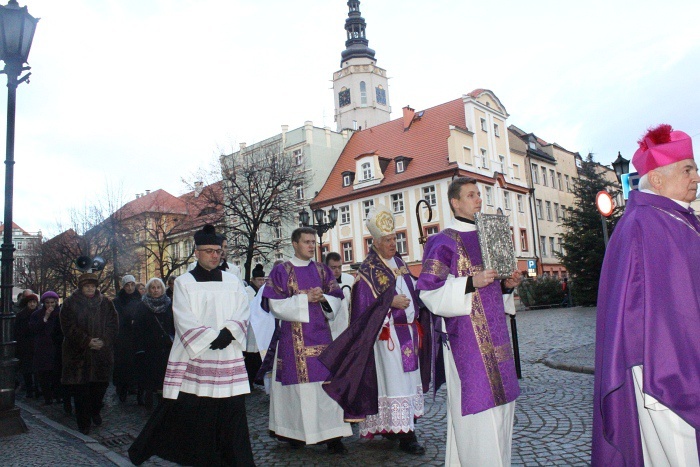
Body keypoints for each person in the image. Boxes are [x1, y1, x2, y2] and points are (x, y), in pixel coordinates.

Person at [592, 124, 700, 466]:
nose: (696, 176)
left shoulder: (673, 219)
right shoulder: (646, 224)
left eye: (695, 168)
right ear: (657, 179)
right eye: (688, 169)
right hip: (665, 373)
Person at [129, 224, 255, 466]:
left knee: (233, 418)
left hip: (228, 356)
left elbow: (243, 309)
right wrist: (211, 337)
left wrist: (228, 333)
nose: (215, 255)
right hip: (198, 357)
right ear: (196, 252)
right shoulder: (185, 283)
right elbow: (183, 317)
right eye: (209, 251)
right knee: (201, 418)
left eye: (218, 251)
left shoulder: (232, 280)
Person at [416, 177, 522, 466]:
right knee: (478, 412)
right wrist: (469, 282)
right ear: (455, 202)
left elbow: (492, 294)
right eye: (471, 195)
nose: (478, 199)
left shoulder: (491, 236)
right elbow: (428, 292)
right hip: (467, 341)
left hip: (497, 337)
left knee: (502, 407)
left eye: (479, 194)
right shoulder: (442, 242)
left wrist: (507, 285)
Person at [320, 206, 430, 455]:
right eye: (388, 240)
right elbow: (361, 306)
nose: (394, 244)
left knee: (407, 383)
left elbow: (413, 288)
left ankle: (399, 427)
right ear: (376, 242)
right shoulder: (368, 270)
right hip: (386, 337)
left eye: (395, 238)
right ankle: (406, 436)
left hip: (408, 335)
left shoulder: (400, 262)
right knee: (394, 385)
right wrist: (388, 303)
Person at [262, 227, 352, 454]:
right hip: (293, 340)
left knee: (325, 387)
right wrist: (304, 299)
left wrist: (324, 298)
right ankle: (295, 433)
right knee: (298, 392)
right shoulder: (282, 271)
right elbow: (275, 305)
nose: (312, 246)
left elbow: (337, 298)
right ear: (294, 243)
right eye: (306, 242)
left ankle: (332, 435)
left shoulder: (322, 270)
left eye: (313, 242)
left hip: (322, 336)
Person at [60, 273, 119, 435]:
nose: (90, 289)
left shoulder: (105, 303)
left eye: (92, 286)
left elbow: (113, 323)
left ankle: (95, 411)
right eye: (87, 286)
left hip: (101, 354)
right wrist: (86, 341)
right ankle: (83, 422)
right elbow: (68, 327)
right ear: (81, 287)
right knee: (81, 392)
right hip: (78, 355)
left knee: (99, 388)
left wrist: (104, 341)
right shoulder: (70, 303)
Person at [133, 278, 174, 410]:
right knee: (150, 377)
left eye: (158, 287)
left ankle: (163, 404)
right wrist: (140, 348)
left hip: (166, 347)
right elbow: (138, 329)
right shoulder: (142, 306)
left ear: (162, 289)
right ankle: (149, 401)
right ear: (148, 289)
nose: (156, 290)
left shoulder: (170, 304)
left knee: (164, 377)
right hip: (149, 348)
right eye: (153, 287)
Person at [29, 291, 62, 405]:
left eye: (52, 302)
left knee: (56, 374)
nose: (50, 305)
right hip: (42, 348)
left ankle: (57, 395)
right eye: (47, 303)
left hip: (56, 347)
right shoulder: (37, 314)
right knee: (43, 374)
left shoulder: (60, 314)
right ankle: (47, 397)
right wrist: (45, 317)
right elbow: (33, 330)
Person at [113, 274, 142, 403]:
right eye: (127, 285)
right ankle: (122, 388)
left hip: (136, 336)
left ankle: (133, 387)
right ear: (123, 286)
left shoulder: (140, 300)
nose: (130, 287)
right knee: (122, 365)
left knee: (136, 364)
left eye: (132, 284)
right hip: (122, 338)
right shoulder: (117, 301)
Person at [15, 291, 39, 398]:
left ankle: (37, 389)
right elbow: (18, 332)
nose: (32, 304)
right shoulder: (21, 315)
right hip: (25, 345)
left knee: (37, 369)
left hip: (37, 345)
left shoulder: (39, 313)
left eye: (34, 302)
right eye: (30, 302)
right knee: (27, 369)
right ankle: (29, 389)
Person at [324, 252, 353, 339]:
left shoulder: (350, 279)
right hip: (329, 328)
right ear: (326, 267)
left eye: (339, 267)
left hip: (346, 327)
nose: (337, 270)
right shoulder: (321, 282)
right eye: (333, 268)